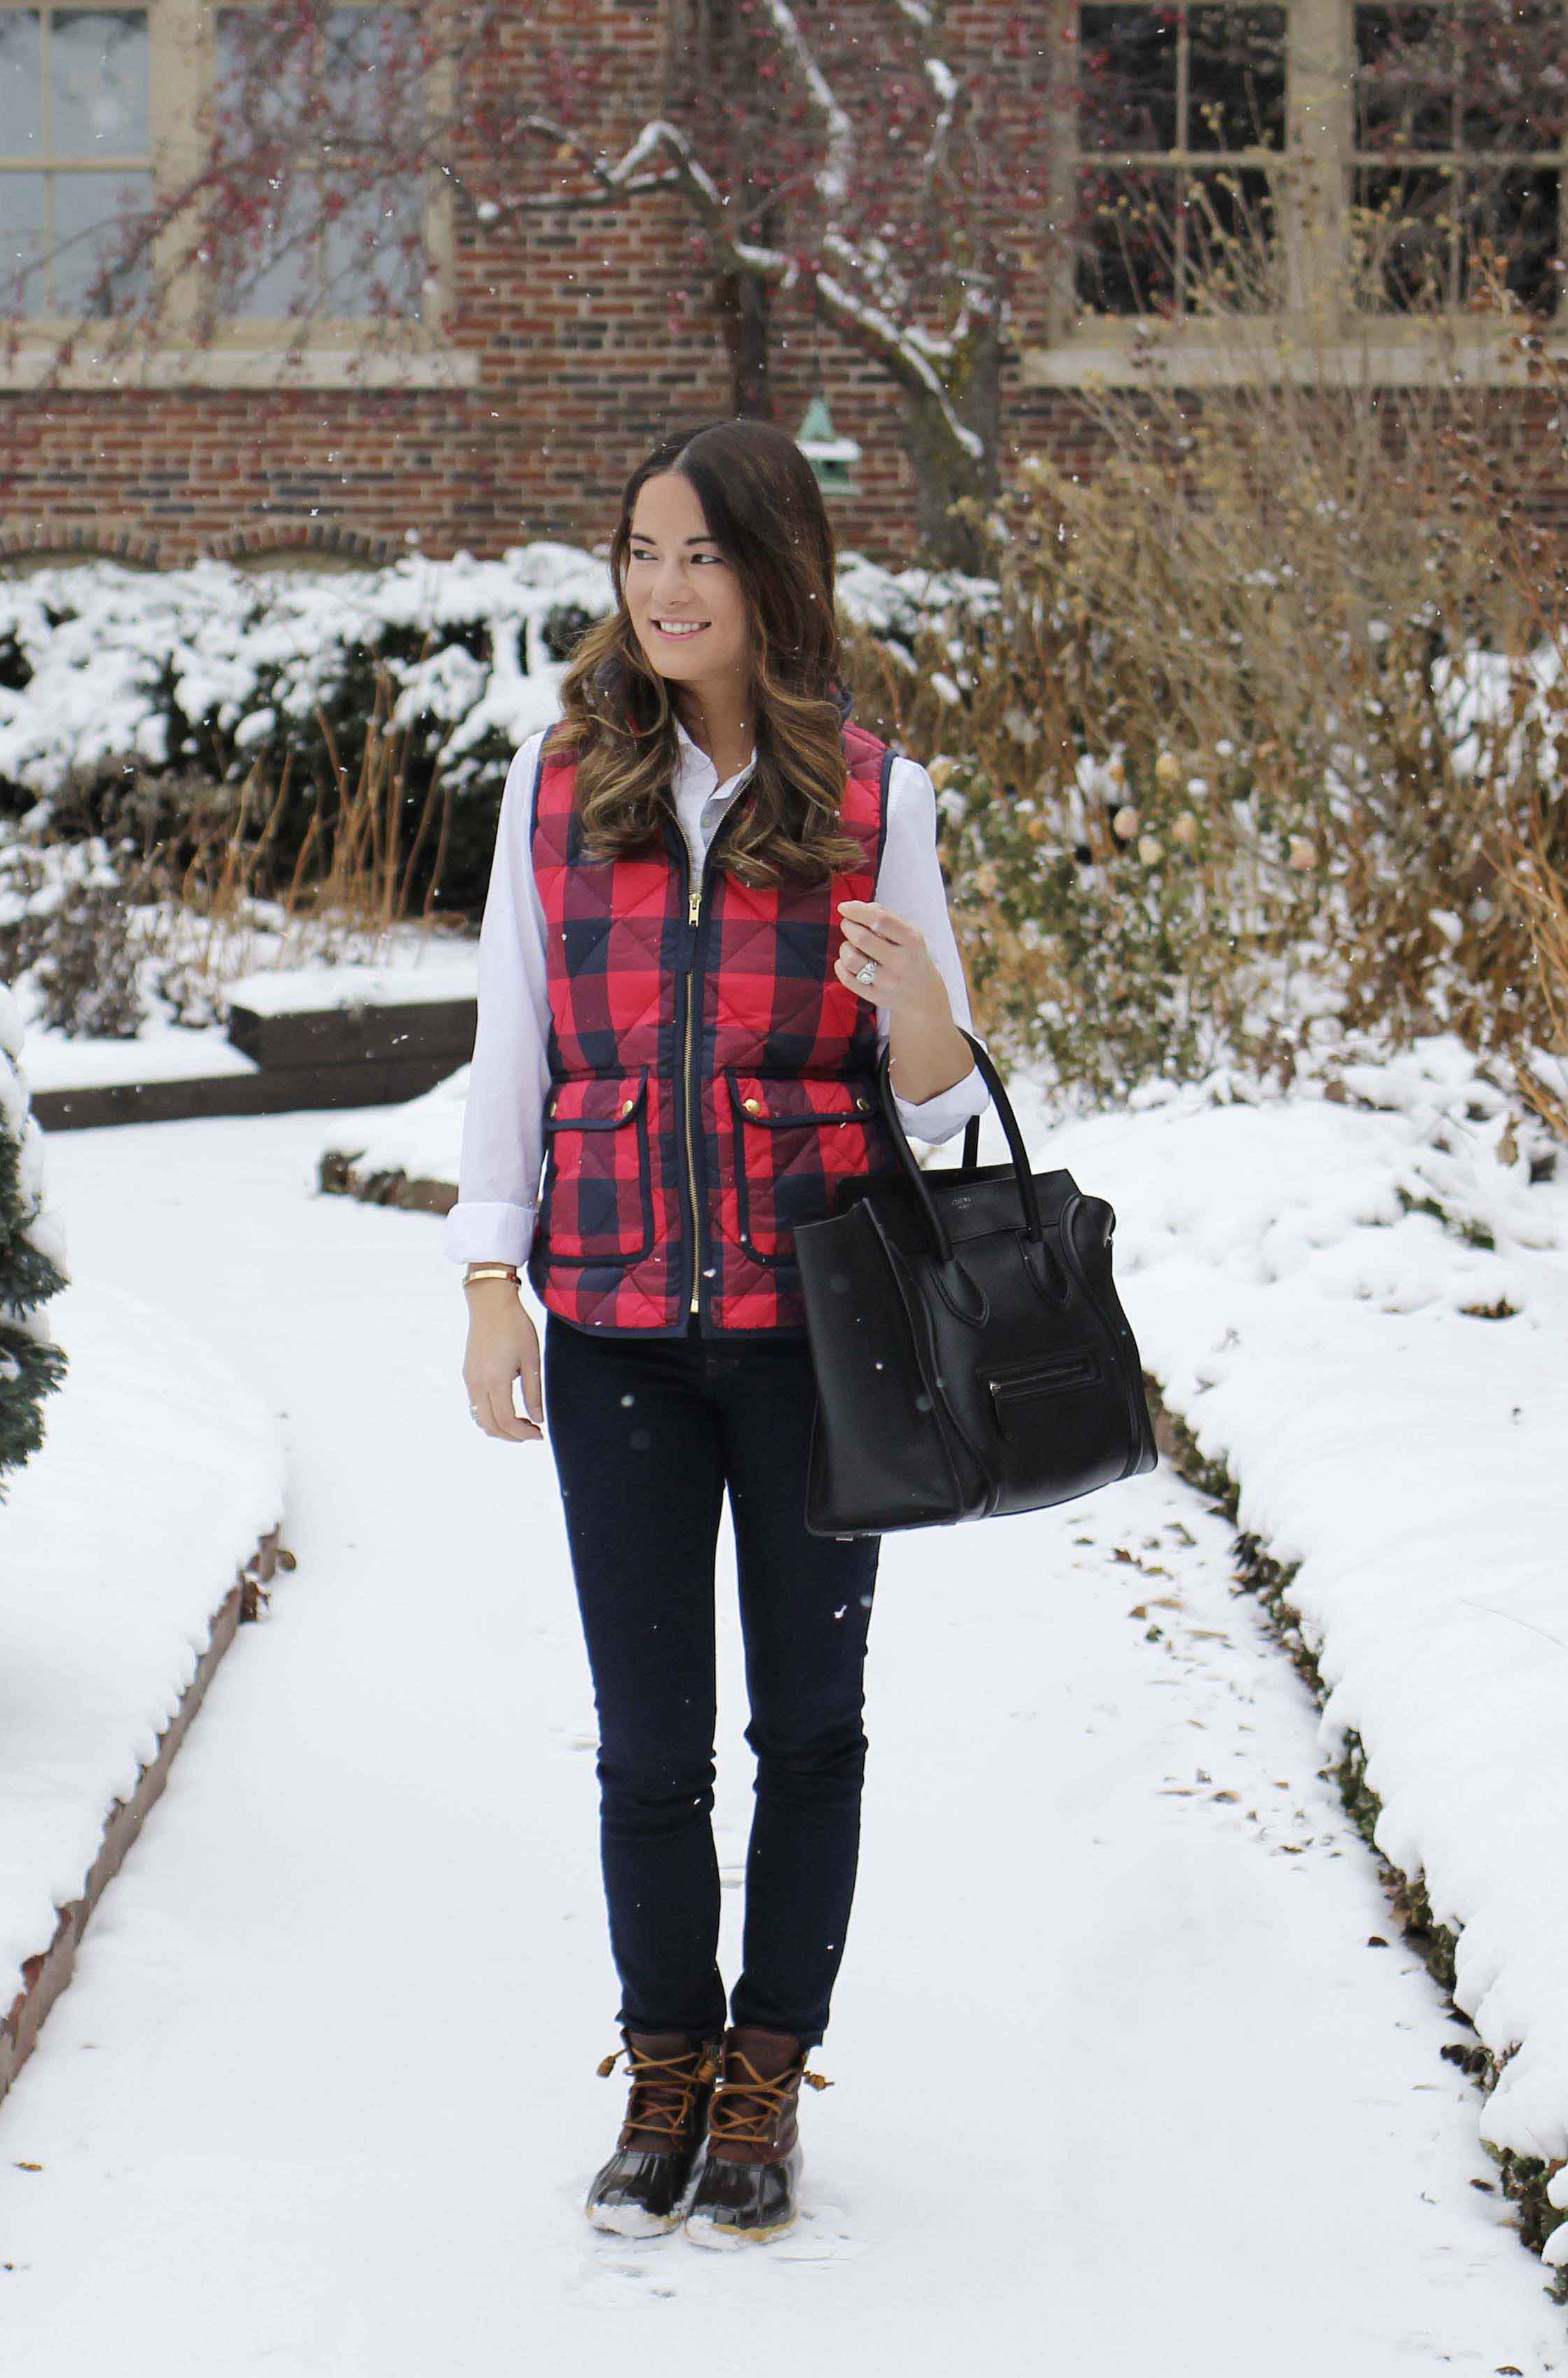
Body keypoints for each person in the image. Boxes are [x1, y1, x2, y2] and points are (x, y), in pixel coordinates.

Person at [446, 418, 994, 2247]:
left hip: (813, 1342)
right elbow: (512, 1049)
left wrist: (921, 1006)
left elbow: (939, 1116)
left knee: (811, 1730)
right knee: (645, 1742)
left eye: (700, 556)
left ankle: (766, 2077)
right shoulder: (555, 789)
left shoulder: (872, 798)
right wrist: (485, 1285)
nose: (664, 591)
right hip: (613, 1329)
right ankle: (663, 2064)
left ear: (773, 577)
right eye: (638, 552)